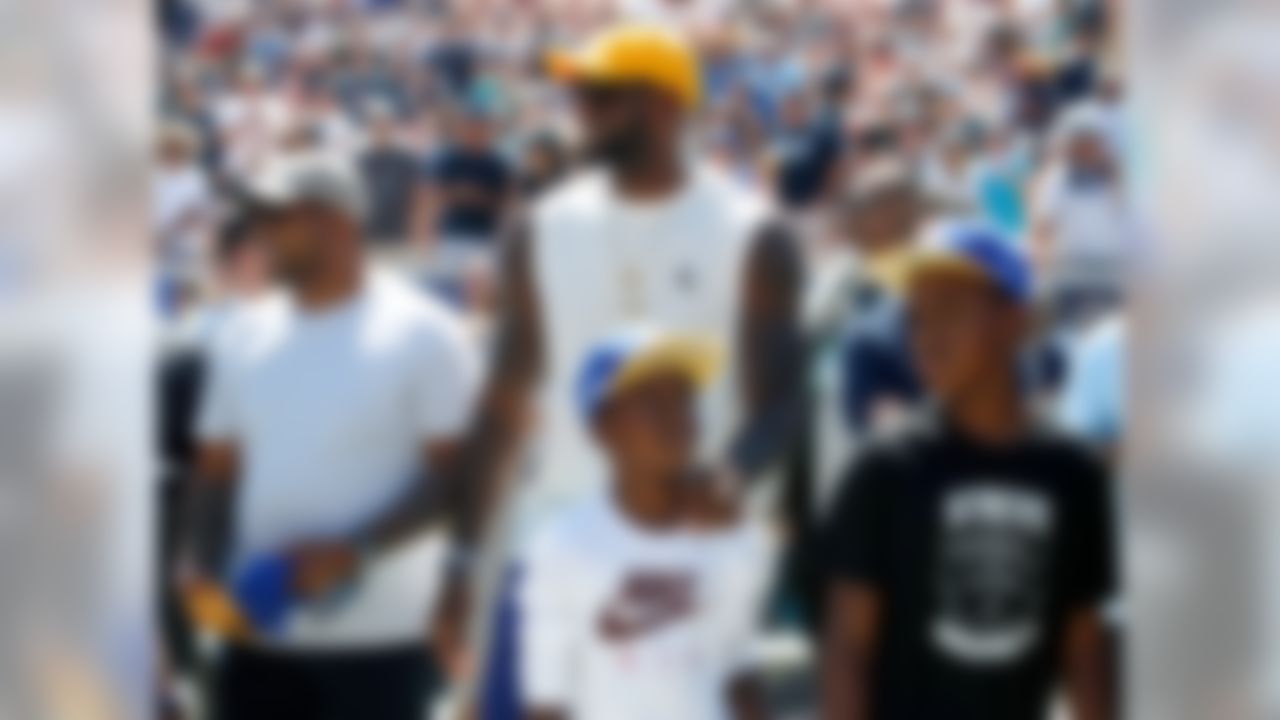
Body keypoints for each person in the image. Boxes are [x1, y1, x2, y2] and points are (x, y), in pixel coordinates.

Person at [442, 23, 805, 715]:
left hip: (687, 558)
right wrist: (462, 561)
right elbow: (503, 401)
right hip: (552, 546)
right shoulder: (536, 227)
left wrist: (732, 476)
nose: (578, 110)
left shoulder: (753, 232)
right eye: (578, 94)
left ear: (665, 106)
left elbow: (781, 402)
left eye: (600, 95)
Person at [181, 150, 480, 720]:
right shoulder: (242, 332)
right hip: (257, 636)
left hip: (383, 643)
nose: (261, 233)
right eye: (257, 218)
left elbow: (456, 474)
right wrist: (196, 558)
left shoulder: (427, 333)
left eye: (277, 217)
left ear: (338, 223)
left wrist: (354, 550)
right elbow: (216, 467)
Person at [823, 227, 1118, 720]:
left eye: (949, 309)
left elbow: (1083, 645)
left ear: (1014, 322)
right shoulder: (885, 467)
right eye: (916, 318)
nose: (926, 334)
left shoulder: (1072, 474)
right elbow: (847, 649)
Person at [520, 326, 772, 720]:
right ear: (601, 429)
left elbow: (741, 673)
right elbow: (548, 701)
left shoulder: (733, 536)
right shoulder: (561, 547)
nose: (676, 414)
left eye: (685, 397)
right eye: (652, 399)